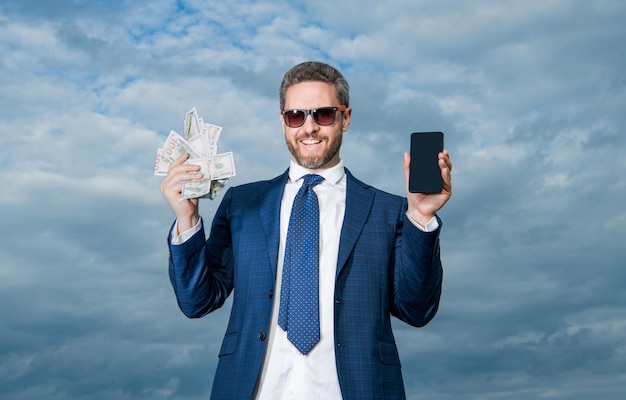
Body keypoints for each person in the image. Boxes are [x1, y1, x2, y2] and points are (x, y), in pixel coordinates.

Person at [160, 61, 453, 400]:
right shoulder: (242, 204)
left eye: (324, 114)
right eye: (296, 116)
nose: (309, 127)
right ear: (283, 121)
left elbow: (417, 310)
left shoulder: (388, 210)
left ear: (346, 117)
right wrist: (187, 219)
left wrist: (420, 217)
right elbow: (197, 301)